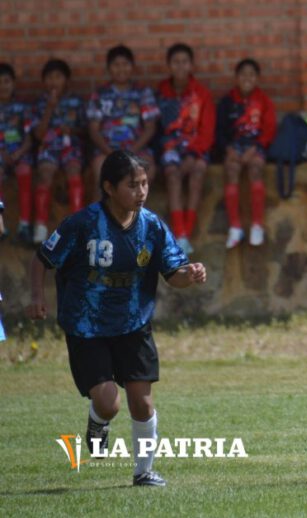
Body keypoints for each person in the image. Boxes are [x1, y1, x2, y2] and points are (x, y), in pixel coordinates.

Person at [28, 149, 208, 487]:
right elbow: (41, 260)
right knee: (109, 403)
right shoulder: (82, 224)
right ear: (109, 188)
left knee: (142, 402)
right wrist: (37, 298)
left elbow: (174, 273)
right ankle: (99, 421)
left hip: (133, 324)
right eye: (132, 185)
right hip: (87, 325)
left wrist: (191, 274)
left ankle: (144, 472)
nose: (141, 191)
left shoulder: (152, 226)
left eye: (144, 183)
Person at [157, 42, 215, 255]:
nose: (180, 66)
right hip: (170, 149)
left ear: (191, 65)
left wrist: (193, 154)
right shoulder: (161, 93)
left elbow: (207, 131)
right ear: (169, 65)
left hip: (196, 149)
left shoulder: (202, 94)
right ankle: (180, 233)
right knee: (173, 175)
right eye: (175, 62)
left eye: (184, 62)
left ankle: (186, 233)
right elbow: (156, 128)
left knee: (197, 172)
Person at [87, 44, 160, 203]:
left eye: (125, 64)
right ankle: (98, 218)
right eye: (116, 65)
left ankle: (135, 217)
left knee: (147, 170)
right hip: (107, 150)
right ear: (109, 68)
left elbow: (150, 128)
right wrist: (110, 153)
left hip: (137, 149)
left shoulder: (143, 93)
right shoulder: (100, 94)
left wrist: (131, 153)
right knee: (101, 176)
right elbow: (93, 130)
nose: (121, 69)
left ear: (132, 67)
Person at [216, 58, 276, 249]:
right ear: (236, 77)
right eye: (243, 74)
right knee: (231, 170)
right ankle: (235, 227)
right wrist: (229, 149)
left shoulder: (264, 101)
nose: (247, 78)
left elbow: (269, 129)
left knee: (256, 168)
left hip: (255, 147)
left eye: (251, 75)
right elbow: (220, 131)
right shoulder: (227, 102)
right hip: (233, 147)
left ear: (257, 78)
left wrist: (256, 148)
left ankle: (257, 225)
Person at [30, 58, 86, 244]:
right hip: (49, 146)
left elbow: (84, 129)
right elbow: (38, 134)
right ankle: (40, 226)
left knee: (73, 171)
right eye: (49, 77)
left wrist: (72, 130)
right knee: (45, 175)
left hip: (71, 146)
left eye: (58, 77)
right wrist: (50, 107)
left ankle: (77, 226)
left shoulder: (76, 101)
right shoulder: (40, 103)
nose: (53, 81)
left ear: (67, 80)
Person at [0, 62, 32, 242]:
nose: (3, 86)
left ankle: (24, 224)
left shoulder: (22, 108)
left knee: (24, 172)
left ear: (13, 83)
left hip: (20, 152)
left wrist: (19, 153)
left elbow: (29, 137)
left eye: (6, 81)